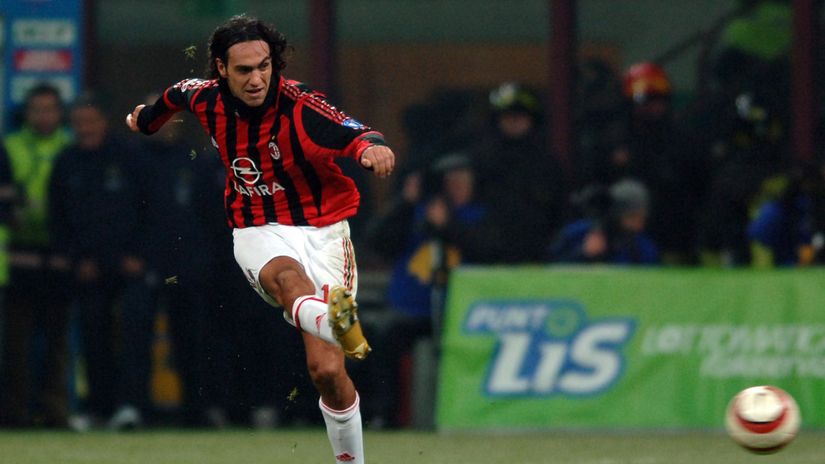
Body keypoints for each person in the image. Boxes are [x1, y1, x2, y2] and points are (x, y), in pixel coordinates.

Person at [125, 15, 394, 463]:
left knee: (325, 370)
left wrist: (372, 148)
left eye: (265, 66)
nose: (257, 79)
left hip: (324, 231)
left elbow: (354, 132)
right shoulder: (204, 96)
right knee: (288, 281)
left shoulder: (300, 104)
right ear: (221, 69)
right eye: (245, 69)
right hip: (258, 227)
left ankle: (350, 445)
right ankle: (337, 322)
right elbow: (171, 98)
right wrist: (146, 121)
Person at [364, 153, 495, 427]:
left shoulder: (480, 215)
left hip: (462, 310)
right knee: (381, 332)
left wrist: (448, 227)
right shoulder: (415, 214)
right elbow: (375, 242)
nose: (456, 186)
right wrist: (406, 202)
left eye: (462, 180)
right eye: (450, 181)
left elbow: (487, 251)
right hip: (414, 309)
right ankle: (383, 415)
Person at [50, 92, 153, 429]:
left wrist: (138, 255)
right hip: (88, 269)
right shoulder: (66, 162)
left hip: (130, 265)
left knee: (134, 336)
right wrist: (76, 260)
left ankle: (132, 407)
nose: (85, 128)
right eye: (78, 122)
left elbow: (149, 209)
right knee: (93, 339)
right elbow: (59, 218)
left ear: (103, 122)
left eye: (90, 121)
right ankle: (98, 409)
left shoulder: (129, 157)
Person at [0, 84, 73, 428]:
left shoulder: (71, 145)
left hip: (60, 255)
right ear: (26, 113)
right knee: (16, 343)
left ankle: (55, 413)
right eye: (37, 109)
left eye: (50, 109)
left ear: (60, 112)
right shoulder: (10, 146)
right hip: (19, 254)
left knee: (58, 342)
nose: (43, 116)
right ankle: (15, 415)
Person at [472, 82, 566, 263]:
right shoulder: (483, 161)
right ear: (497, 120)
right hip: (488, 260)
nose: (514, 121)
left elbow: (559, 210)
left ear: (532, 120)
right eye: (508, 116)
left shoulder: (546, 164)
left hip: (539, 259)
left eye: (520, 116)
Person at [548, 179, 659, 265]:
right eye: (632, 217)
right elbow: (549, 266)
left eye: (642, 218)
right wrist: (582, 253)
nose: (639, 224)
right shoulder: (577, 233)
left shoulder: (642, 245)